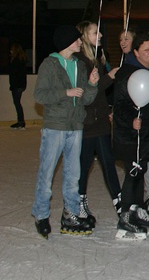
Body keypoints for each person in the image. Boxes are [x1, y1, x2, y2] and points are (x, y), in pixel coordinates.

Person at [32, 25, 99, 238]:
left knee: (73, 174)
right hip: (55, 127)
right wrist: (65, 92)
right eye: (77, 39)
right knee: (47, 172)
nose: (81, 42)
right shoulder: (49, 65)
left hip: (75, 126)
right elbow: (40, 95)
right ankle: (41, 215)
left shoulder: (79, 64)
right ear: (67, 42)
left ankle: (71, 213)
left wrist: (92, 84)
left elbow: (86, 98)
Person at [113, 33, 149, 240]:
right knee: (133, 175)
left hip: (145, 135)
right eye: (146, 50)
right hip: (130, 135)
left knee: (139, 172)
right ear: (136, 53)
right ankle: (125, 218)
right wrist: (131, 120)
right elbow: (120, 104)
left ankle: (136, 212)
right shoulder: (128, 73)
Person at [74, 22, 121, 225]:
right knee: (84, 166)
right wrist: (109, 77)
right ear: (84, 36)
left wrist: (108, 109)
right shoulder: (79, 61)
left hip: (100, 121)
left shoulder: (96, 58)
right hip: (86, 124)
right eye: (95, 32)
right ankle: (79, 205)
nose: (100, 34)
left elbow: (99, 95)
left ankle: (121, 205)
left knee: (108, 164)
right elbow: (86, 94)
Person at [9, 43, 27, 130]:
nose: (10, 51)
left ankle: (21, 122)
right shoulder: (21, 60)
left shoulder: (16, 61)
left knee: (17, 103)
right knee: (17, 103)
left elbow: (14, 75)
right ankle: (20, 121)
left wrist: (13, 85)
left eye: (12, 49)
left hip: (16, 85)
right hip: (19, 85)